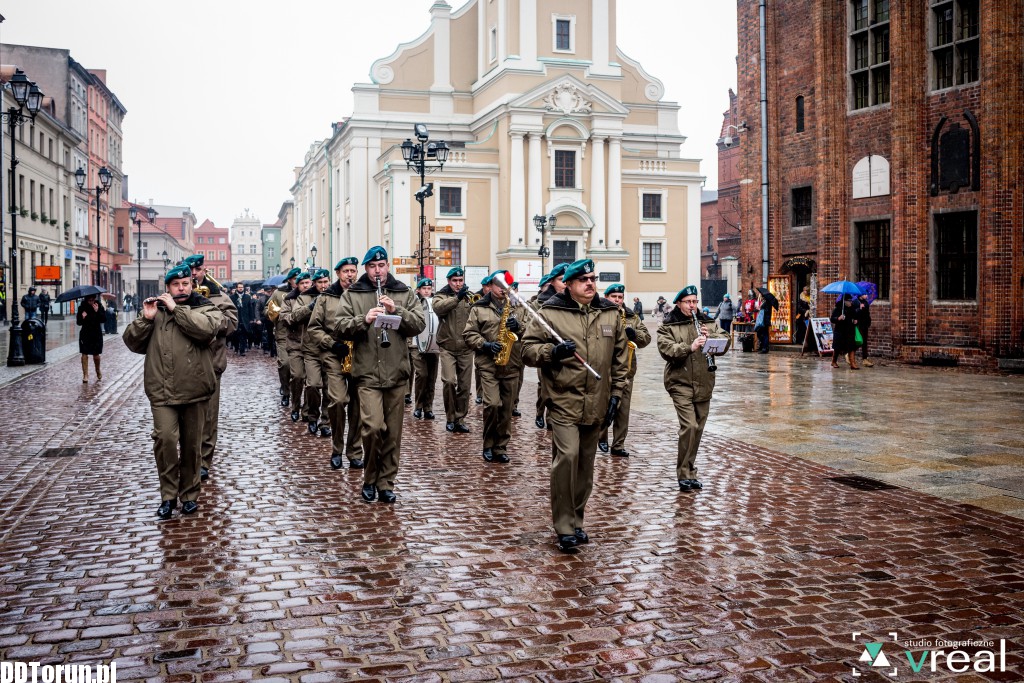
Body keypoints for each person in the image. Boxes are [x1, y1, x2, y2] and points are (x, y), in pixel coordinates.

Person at [522, 259, 629, 553]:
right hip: (562, 398)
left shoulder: (610, 313)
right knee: (567, 457)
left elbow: (620, 358)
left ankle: (577, 519)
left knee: (585, 465)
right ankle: (564, 525)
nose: (590, 284)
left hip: (597, 400)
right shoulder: (551, 313)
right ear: (568, 284)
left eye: (593, 278)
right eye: (583, 280)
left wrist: (616, 394)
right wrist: (552, 352)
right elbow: (527, 350)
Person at [122, 264, 224, 519]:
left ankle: (189, 495)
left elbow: (206, 330)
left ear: (192, 285)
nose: (181, 288)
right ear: (167, 287)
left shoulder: (206, 307)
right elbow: (132, 343)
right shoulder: (155, 312)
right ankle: (168, 496)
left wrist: (176, 309)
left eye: (185, 284)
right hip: (162, 390)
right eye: (176, 285)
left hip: (195, 388)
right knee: (165, 440)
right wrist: (145, 319)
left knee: (191, 446)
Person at [333, 246, 425, 504]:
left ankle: (386, 483)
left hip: (397, 373)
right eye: (373, 266)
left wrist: (398, 311)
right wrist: (363, 319)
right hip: (367, 374)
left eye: (382, 265)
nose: (378, 270)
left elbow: (419, 324)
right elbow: (339, 326)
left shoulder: (404, 292)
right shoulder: (353, 294)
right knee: (372, 428)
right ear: (366, 269)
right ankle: (369, 477)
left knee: (392, 434)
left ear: (387, 266)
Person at [657, 285, 730, 493]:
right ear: (679, 303)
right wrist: (690, 346)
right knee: (688, 426)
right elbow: (667, 349)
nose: (693, 306)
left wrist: (712, 340)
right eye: (688, 302)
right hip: (679, 382)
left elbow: (726, 341)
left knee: (697, 429)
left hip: (705, 382)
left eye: (695, 301)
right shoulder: (669, 325)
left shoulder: (707, 321)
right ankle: (683, 473)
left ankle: (691, 470)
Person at [184, 254, 238, 482]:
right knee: (188, 417)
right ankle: (189, 458)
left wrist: (210, 321)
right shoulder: (181, 295)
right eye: (190, 271)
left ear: (204, 270)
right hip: (186, 365)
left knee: (208, 416)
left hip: (212, 363)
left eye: (197, 270)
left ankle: (204, 461)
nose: (194, 274)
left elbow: (232, 323)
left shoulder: (218, 295)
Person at [308, 257, 364, 470]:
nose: (350, 274)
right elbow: (314, 328)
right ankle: (337, 448)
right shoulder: (326, 298)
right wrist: (332, 344)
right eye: (345, 271)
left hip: (359, 353)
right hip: (334, 354)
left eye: (353, 270)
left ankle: (355, 451)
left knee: (358, 405)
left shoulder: (362, 294)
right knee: (339, 401)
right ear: (338, 274)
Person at [463, 270, 523, 463]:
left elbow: (532, 332)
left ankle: (501, 447)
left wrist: (519, 327)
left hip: (512, 364)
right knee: (492, 404)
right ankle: (488, 443)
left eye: (507, 286)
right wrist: (485, 345)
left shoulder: (518, 306)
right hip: (488, 364)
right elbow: (469, 334)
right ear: (490, 286)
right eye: (500, 285)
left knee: (506, 409)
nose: (504, 290)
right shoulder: (478, 307)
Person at [599, 284, 652, 457]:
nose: (617, 300)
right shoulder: (598, 314)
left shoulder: (632, 317)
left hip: (627, 369)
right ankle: (601, 437)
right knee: (604, 406)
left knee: (623, 409)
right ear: (606, 296)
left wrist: (634, 334)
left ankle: (618, 444)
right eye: (613, 296)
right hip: (604, 370)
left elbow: (646, 339)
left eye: (620, 297)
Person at [432, 267, 474, 434]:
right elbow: (438, 308)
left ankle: (460, 418)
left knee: (464, 387)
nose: (458, 283)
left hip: (465, 348)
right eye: (455, 281)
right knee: (449, 381)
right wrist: (457, 298)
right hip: (447, 347)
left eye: (460, 280)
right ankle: (450, 417)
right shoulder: (441, 296)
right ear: (449, 281)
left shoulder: (469, 298)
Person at [528, 262, 568, 430]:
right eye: (561, 279)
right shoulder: (539, 304)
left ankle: (553, 420)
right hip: (546, 351)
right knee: (544, 385)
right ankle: (540, 412)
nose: (565, 283)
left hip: (567, 352)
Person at [300, 269, 333, 436]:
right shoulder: (304, 297)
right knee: (313, 384)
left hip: (330, 348)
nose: (323, 285)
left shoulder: (335, 296)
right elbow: (294, 316)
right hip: (311, 349)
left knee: (329, 388)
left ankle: (325, 422)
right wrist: (310, 307)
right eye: (320, 282)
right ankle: (312, 416)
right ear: (315, 283)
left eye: (326, 282)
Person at [281, 272, 315, 423]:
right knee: (298, 376)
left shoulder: (316, 298)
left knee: (310, 380)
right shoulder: (289, 299)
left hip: (311, 345)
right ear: (297, 285)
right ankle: (295, 406)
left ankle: (306, 410)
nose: (306, 286)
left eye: (308, 283)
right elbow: (286, 319)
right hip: (294, 344)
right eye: (302, 283)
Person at [270, 268, 301, 406]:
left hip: (301, 336)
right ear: (289, 280)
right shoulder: (278, 293)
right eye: (295, 279)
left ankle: (296, 396)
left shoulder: (306, 292)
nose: (298, 281)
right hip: (283, 334)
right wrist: (275, 312)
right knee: (285, 364)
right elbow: (267, 309)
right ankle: (286, 390)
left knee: (299, 372)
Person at [411, 278, 439, 420]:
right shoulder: (414, 303)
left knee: (432, 377)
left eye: (429, 289)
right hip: (416, 344)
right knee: (422, 375)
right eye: (424, 289)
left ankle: (428, 407)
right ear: (419, 290)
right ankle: (418, 406)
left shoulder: (436, 302)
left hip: (433, 343)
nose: (427, 291)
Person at [76, 294, 106, 383]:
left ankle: (98, 370)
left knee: (96, 355)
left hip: (96, 333)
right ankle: (85, 375)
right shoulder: (82, 308)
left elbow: (104, 319)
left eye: (93, 300)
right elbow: (78, 322)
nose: (91, 302)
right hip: (85, 333)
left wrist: (97, 311)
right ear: (86, 300)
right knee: (84, 354)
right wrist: (82, 317)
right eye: (89, 300)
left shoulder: (99, 306)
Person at [830, 294, 859, 369]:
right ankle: (834, 361)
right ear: (844, 301)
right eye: (849, 301)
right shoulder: (838, 308)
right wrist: (838, 318)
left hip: (850, 330)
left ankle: (852, 363)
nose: (850, 302)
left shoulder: (853, 308)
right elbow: (832, 319)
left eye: (851, 301)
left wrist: (856, 320)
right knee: (837, 347)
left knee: (851, 346)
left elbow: (855, 317)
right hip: (840, 330)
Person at [229, 282, 254, 356]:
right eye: (239, 287)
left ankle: (242, 350)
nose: (241, 288)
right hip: (236, 318)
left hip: (245, 319)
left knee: (243, 335)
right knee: (235, 335)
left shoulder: (247, 297)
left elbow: (250, 308)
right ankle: (236, 348)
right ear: (236, 288)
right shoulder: (232, 297)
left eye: (242, 287)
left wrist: (251, 318)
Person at [755, 287, 779, 353]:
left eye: (760, 294)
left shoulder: (767, 302)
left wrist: (761, 309)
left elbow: (767, 311)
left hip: (765, 320)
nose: (759, 295)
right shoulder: (764, 301)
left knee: (765, 334)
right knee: (760, 333)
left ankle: (765, 348)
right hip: (763, 320)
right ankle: (763, 346)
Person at [854, 292, 873, 367]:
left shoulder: (866, 302)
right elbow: (854, 313)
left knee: (864, 342)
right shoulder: (856, 302)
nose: (866, 295)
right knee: (860, 341)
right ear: (860, 295)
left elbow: (867, 314)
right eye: (865, 294)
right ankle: (849, 353)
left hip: (865, 324)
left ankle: (865, 359)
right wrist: (859, 308)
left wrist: (869, 322)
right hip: (859, 324)